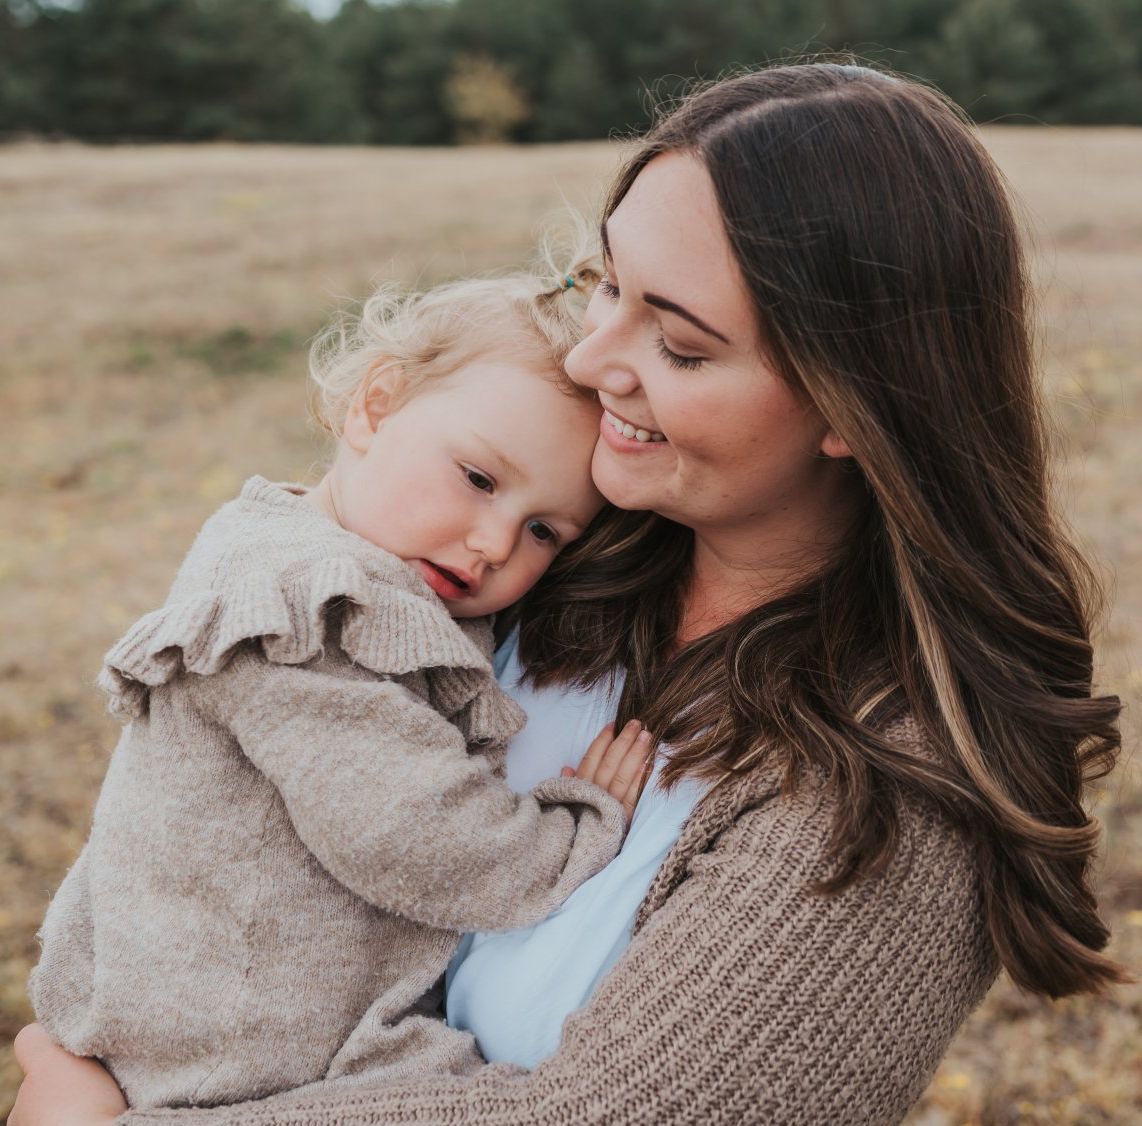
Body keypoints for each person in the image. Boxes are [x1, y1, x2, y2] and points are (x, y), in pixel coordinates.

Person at [12, 61, 1124, 1126]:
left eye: (678, 345)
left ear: (855, 407)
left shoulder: (888, 798)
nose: (592, 359)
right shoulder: (551, 562)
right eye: (602, 286)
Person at [25, 261, 659, 1109]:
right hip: (230, 1036)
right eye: (478, 480)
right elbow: (413, 833)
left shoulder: (339, 557)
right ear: (376, 405)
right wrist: (576, 833)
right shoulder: (303, 610)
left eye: (543, 530)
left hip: (259, 1010)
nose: (492, 545)